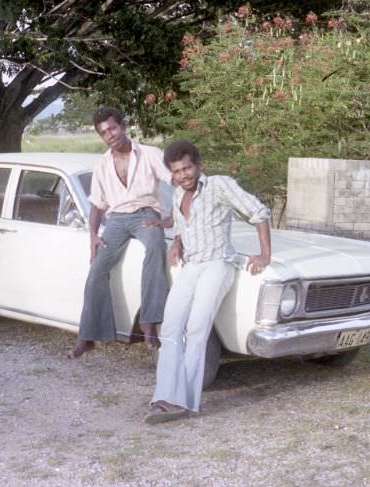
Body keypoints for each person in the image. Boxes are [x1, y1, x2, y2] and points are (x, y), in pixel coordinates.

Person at [145, 139, 272, 424]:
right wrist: (177, 243)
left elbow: (259, 212)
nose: (183, 175)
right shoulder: (177, 194)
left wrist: (265, 254)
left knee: (196, 328)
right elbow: (180, 224)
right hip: (191, 266)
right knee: (170, 327)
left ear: (199, 166)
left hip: (218, 264)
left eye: (187, 168)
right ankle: (164, 396)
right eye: (177, 171)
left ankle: (186, 402)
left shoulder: (219, 185)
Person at [68, 107, 172, 359]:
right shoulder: (102, 164)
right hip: (115, 220)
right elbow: (96, 204)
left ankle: (149, 322)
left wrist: (172, 217)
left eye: (112, 128)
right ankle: (88, 336)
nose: (110, 135)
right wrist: (92, 235)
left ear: (123, 126)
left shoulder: (149, 153)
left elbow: (176, 181)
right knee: (97, 268)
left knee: (156, 245)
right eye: (104, 132)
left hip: (146, 213)